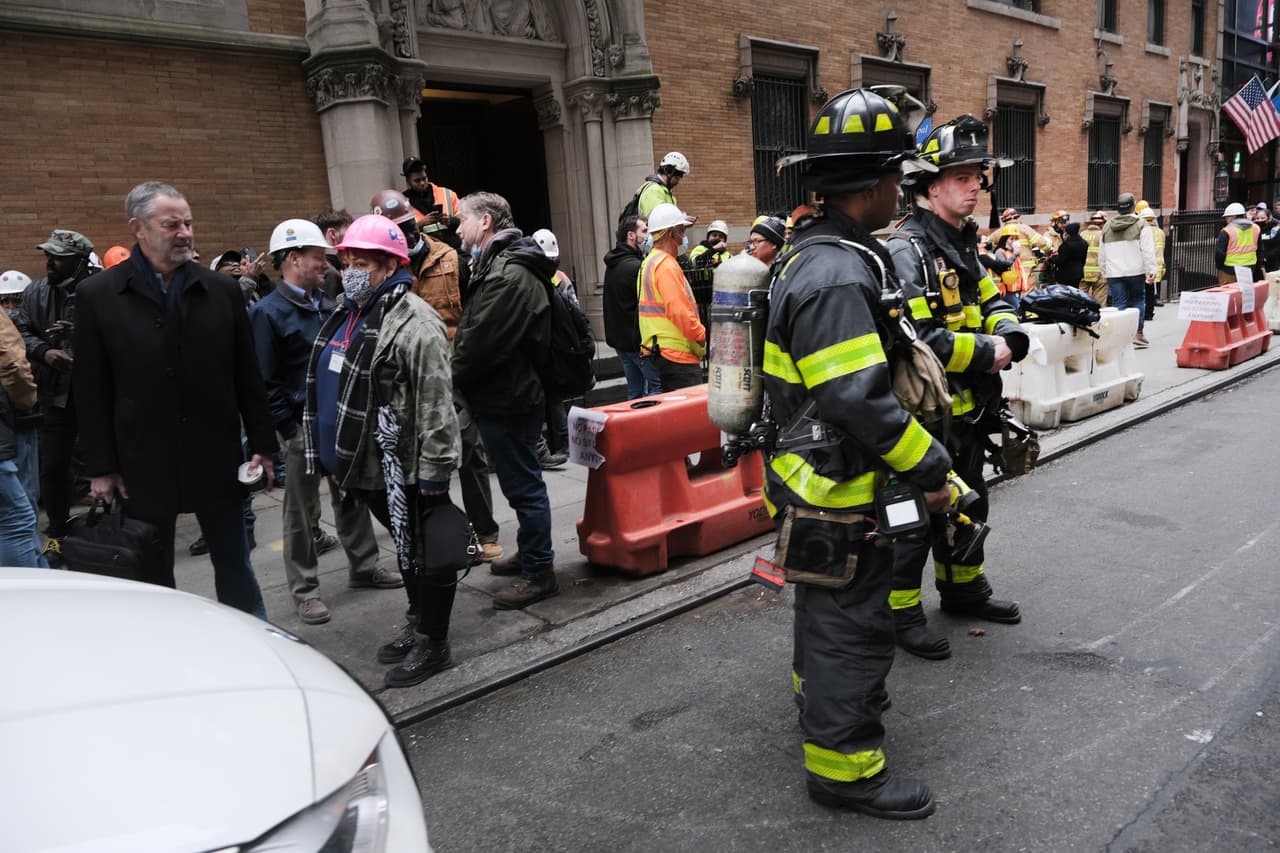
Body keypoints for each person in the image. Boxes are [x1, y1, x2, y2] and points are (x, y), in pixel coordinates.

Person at [769, 88, 953, 819]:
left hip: (814, 483)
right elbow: (857, 400)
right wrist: (932, 465)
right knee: (851, 625)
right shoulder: (840, 274)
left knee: (825, 615)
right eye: (898, 180)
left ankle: (824, 711)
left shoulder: (818, 253)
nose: (901, 191)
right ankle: (846, 770)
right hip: (838, 493)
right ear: (875, 185)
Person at [74, 181, 276, 617]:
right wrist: (102, 469)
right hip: (142, 462)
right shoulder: (98, 297)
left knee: (235, 564)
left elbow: (247, 375)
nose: (185, 232)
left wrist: (263, 444)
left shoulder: (220, 291)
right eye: (172, 224)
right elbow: (90, 390)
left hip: (216, 457)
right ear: (138, 228)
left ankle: (250, 639)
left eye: (188, 222)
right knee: (152, 571)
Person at [886, 113, 1028, 660]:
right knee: (918, 515)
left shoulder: (964, 243)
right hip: (925, 415)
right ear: (928, 185)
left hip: (969, 412)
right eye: (962, 176)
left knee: (971, 503)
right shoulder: (907, 250)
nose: (976, 185)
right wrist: (988, 351)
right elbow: (918, 336)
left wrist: (1011, 334)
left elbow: (993, 302)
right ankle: (901, 614)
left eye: (978, 175)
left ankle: (963, 590)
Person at [303, 213, 461, 686]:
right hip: (369, 466)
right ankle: (419, 622)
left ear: (391, 266)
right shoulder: (352, 313)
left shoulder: (416, 323)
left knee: (429, 554)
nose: (348, 267)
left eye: (361, 261)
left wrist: (434, 475)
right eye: (345, 258)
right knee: (407, 551)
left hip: (409, 468)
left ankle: (435, 641)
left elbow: (437, 405)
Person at [251, 218, 402, 626]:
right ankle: (304, 590)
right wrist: (288, 430)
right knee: (301, 511)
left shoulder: (330, 305)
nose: (327, 265)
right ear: (294, 258)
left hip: (337, 421)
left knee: (350, 495)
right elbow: (264, 380)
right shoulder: (267, 314)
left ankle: (365, 566)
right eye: (319, 257)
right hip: (301, 427)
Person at [371, 188, 503, 562]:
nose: (406, 233)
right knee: (417, 463)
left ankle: (485, 532)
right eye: (395, 228)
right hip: (403, 383)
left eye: (408, 224)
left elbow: (473, 315)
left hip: (450, 375)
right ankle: (437, 540)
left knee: (469, 453)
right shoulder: (384, 269)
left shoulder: (451, 258)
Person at [452, 192, 559, 610]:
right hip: (505, 394)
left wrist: (451, 376)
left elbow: (480, 344)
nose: (457, 229)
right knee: (522, 485)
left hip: (510, 398)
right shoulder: (499, 265)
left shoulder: (508, 274)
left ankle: (539, 572)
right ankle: (532, 555)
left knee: (524, 487)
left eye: (463, 220)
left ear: (485, 223)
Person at [17, 228, 94, 565]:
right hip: (56, 394)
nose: (49, 262)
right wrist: (45, 351)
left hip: (99, 393)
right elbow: (20, 331)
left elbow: (123, 333)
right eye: (48, 255)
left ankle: (123, 523)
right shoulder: (35, 293)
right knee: (53, 466)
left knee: (114, 459)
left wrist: (82, 334)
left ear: (79, 262)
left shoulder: (101, 290)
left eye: (58, 258)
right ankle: (58, 534)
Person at [637, 202, 705, 391]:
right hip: (677, 355)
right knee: (691, 418)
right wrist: (701, 335)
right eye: (681, 230)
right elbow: (680, 312)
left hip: (658, 351)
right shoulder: (666, 265)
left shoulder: (649, 262)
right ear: (672, 233)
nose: (683, 236)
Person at [0, 305, 43, 567]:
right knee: (17, 518)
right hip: (10, 425)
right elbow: (11, 362)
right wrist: (28, 401)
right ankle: (33, 593)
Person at [603, 214, 657, 399]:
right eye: (644, 230)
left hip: (622, 342)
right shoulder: (636, 267)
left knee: (635, 391)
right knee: (655, 388)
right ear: (631, 236)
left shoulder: (614, 263)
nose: (648, 235)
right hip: (636, 342)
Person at [531, 227, 573, 469]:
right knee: (553, 398)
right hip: (553, 346)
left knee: (550, 399)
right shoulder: (560, 277)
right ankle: (561, 444)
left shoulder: (533, 277)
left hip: (547, 346)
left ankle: (556, 444)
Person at [1099, 192, 1156, 348]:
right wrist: (1151, 270)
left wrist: (1104, 272)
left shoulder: (1107, 226)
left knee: (1119, 304)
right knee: (1138, 301)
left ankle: (1120, 337)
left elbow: (1101, 253)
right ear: (1133, 206)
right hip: (1136, 271)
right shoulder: (1141, 225)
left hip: (1114, 273)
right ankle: (1138, 334)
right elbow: (1147, 250)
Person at [401, 156, 462, 251]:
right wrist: (420, 224)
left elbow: (464, 221)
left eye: (424, 178)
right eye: (417, 181)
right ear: (408, 181)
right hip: (427, 254)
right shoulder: (402, 203)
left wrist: (450, 221)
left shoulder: (447, 194)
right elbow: (400, 235)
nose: (422, 183)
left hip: (455, 249)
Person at [998, 207, 1052, 290]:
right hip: (1026, 268)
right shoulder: (1024, 228)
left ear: (1005, 220)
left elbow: (988, 244)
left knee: (1013, 289)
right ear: (1017, 217)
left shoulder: (1001, 231)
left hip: (1008, 268)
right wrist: (1049, 247)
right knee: (1026, 290)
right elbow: (1042, 243)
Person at [1215, 202, 1263, 285]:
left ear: (1232, 217)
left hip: (1229, 269)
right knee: (1245, 295)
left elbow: (1219, 253)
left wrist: (1220, 267)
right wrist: (1257, 267)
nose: (1226, 220)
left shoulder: (1227, 231)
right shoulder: (1256, 228)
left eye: (1226, 217)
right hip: (1250, 267)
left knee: (1228, 294)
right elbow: (1260, 250)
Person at [634, 152, 690, 218]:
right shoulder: (653, 191)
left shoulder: (665, 192)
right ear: (669, 172)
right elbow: (660, 220)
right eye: (677, 177)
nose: (678, 182)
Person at [316, 208, 354, 301]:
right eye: (350, 232)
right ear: (332, 234)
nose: (355, 236)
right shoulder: (329, 273)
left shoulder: (336, 266)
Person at [992, 225, 1027, 310]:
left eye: (1016, 239)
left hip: (1016, 289)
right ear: (1005, 240)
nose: (1014, 241)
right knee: (1017, 310)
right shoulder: (1000, 252)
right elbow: (1003, 267)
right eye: (1011, 239)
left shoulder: (1013, 252)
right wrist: (1014, 254)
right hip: (1007, 290)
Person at [1139, 208, 1166, 320]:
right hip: (1158, 264)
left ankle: (1144, 313)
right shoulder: (1160, 232)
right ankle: (1149, 313)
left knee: (1143, 292)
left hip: (1146, 264)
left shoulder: (1143, 231)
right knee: (1151, 292)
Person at [1080, 211, 1108, 306]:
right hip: (1099, 273)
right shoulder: (1104, 235)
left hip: (1083, 272)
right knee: (1099, 302)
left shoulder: (1082, 234)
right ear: (1103, 223)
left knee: (1080, 299)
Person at [1054, 221, 1088, 287]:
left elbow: (1060, 260)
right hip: (1079, 273)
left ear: (1068, 232)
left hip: (1066, 275)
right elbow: (1084, 259)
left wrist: (1051, 259)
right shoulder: (1084, 243)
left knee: (1065, 294)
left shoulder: (1067, 245)